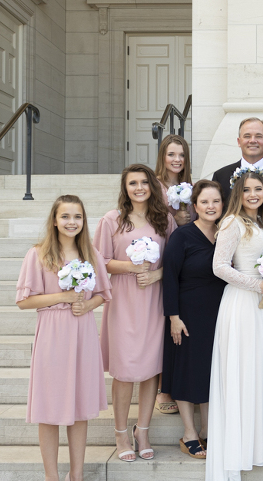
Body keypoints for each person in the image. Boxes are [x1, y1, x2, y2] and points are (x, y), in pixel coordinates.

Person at [16, 195, 112, 481]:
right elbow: (24, 301)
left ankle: (77, 476)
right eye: (66, 216)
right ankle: (51, 479)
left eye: (78, 217)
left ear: (84, 221)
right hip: (53, 334)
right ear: (55, 220)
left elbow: (103, 294)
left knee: (80, 407)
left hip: (82, 331)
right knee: (50, 408)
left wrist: (87, 303)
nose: (72, 222)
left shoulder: (91, 253)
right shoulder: (38, 254)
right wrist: (61, 295)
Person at [206, 168, 263, 481]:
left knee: (256, 375)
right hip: (241, 304)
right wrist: (258, 284)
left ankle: (254, 446)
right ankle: (232, 462)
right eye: (248, 189)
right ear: (238, 193)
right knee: (239, 375)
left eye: (259, 189)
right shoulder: (232, 222)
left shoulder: (262, 223)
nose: (254, 194)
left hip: (260, 308)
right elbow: (219, 266)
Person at [94, 164, 175, 463]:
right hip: (124, 300)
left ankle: (143, 430)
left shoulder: (164, 220)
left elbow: (177, 262)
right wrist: (131, 267)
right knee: (126, 369)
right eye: (133, 183)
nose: (139, 188)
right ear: (125, 188)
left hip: (154, 300)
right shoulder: (111, 220)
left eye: (144, 182)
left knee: (151, 367)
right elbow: (99, 261)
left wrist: (156, 275)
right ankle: (120, 432)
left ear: (152, 186)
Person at [162, 180, 226, 459]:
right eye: (204, 202)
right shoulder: (182, 236)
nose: (210, 207)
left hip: (219, 314)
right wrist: (173, 317)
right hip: (187, 314)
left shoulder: (226, 233)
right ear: (195, 206)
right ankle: (189, 433)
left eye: (215, 201)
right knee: (188, 372)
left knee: (211, 372)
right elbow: (169, 277)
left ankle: (209, 431)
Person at [154, 134, 194, 415]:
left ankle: (177, 380)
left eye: (181, 154)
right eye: (171, 154)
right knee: (161, 324)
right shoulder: (155, 185)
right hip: (160, 255)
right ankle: (161, 388)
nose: (176, 159)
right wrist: (173, 218)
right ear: (162, 156)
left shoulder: (189, 186)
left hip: (186, 262)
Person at [211, 117, 263, 202]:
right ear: (239, 142)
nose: (252, 140)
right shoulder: (220, 177)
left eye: (258, 136)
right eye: (247, 136)